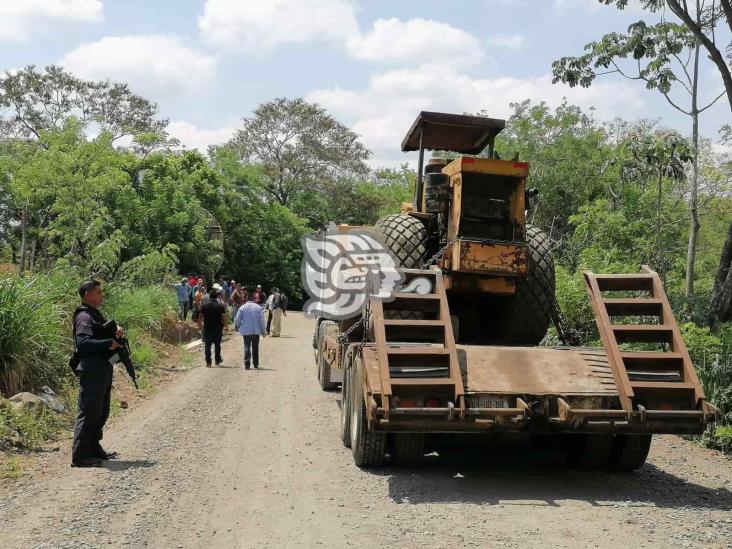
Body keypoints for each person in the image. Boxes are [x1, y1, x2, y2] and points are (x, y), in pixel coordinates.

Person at [71, 280, 122, 468]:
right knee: (89, 412)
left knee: (101, 411)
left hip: (101, 368)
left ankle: (93, 448)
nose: (102, 295)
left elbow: (100, 334)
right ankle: (80, 456)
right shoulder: (84, 316)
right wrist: (108, 343)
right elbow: (83, 342)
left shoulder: (94, 314)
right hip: (91, 369)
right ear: (87, 294)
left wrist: (115, 335)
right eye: (98, 292)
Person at [198, 287, 228, 367]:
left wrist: (200, 325)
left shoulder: (205, 305)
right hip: (218, 328)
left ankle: (208, 362)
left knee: (207, 345)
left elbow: (200, 316)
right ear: (216, 296)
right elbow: (224, 316)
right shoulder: (220, 306)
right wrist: (226, 325)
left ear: (210, 296)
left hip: (207, 328)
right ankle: (217, 361)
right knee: (217, 345)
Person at [235, 298, 266, 369]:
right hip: (256, 331)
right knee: (255, 348)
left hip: (246, 331)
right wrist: (263, 331)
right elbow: (261, 320)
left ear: (246, 300)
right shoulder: (258, 307)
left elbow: (237, 319)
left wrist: (237, 326)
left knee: (247, 347)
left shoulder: (243, 307)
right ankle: (255, 364)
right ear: (253, 300)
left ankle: (247, 364)